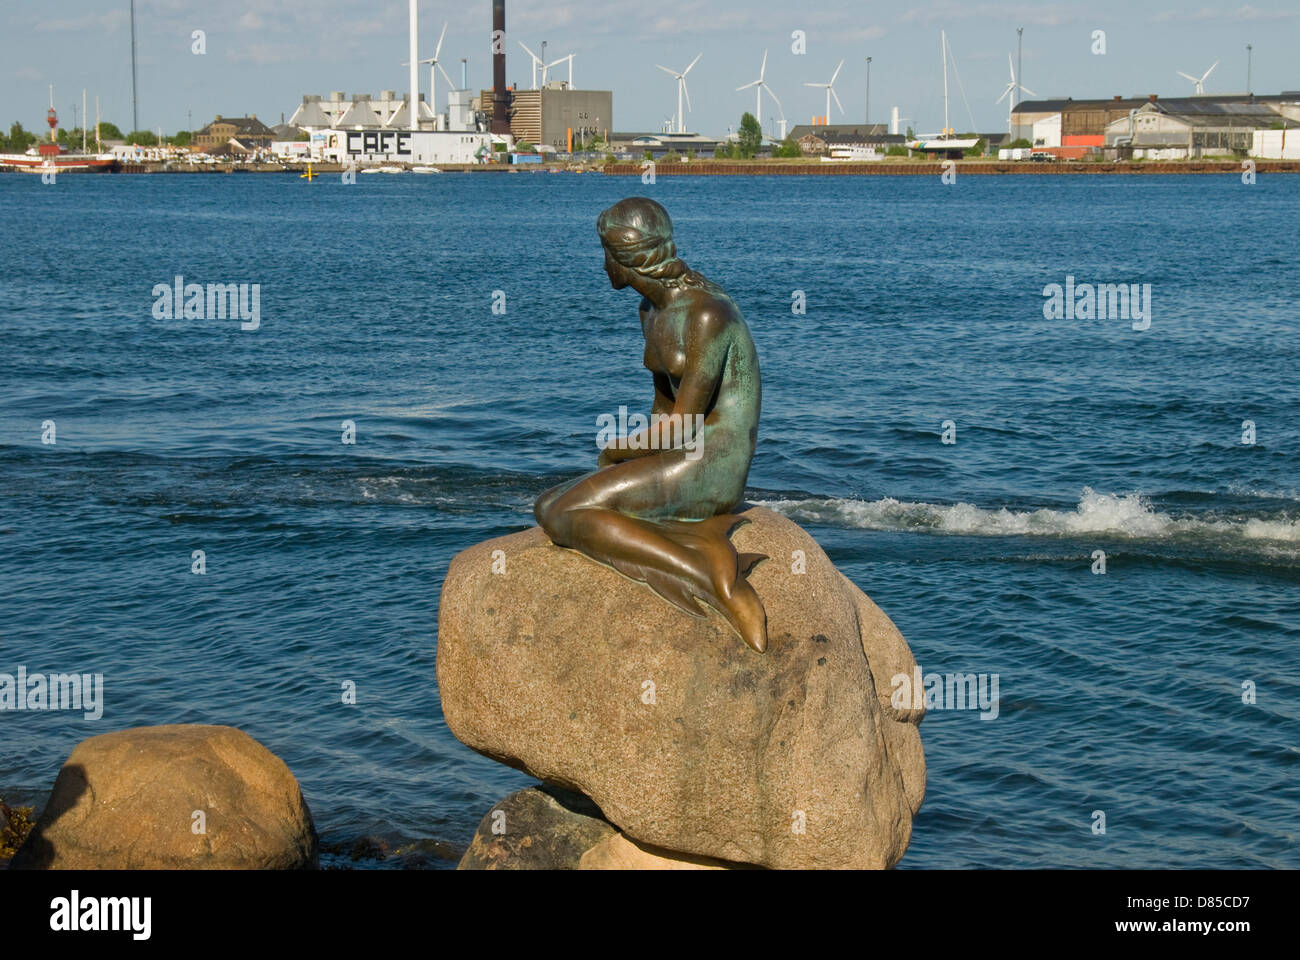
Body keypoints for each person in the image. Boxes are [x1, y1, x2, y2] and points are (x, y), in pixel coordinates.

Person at [534, 197, 769, 652]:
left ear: (626, 255)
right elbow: (663, 411)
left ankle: (709, 575)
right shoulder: (651, 312)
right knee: (546, 505)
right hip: (682, 451)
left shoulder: (707, 314)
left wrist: (620, 453)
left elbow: (683, 426)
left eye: (605, 252)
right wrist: (631, 462)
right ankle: (684, 536)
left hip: (714, 460)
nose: (602, 264)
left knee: (565, 514)